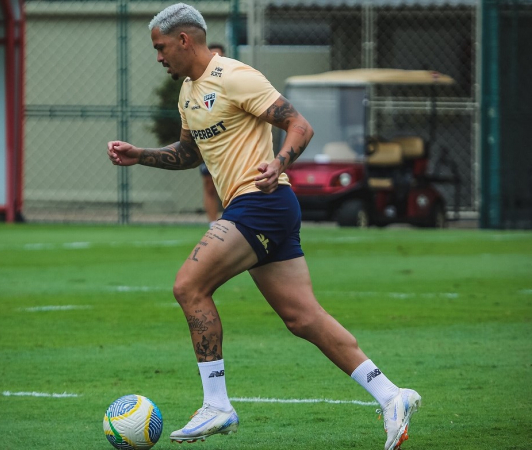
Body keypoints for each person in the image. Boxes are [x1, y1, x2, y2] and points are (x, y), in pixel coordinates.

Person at [107, 4, 421, 450]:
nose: (158, 57)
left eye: (160, 48)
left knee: (188, 286)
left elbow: (299, 124)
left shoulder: (235, 76)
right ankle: (392, 396)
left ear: (183, 40)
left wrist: (278, 163)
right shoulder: (188, 92)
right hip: (261, 208)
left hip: (262, 203)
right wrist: (141, 154)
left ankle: (217, 404)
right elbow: (189, 153)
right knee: (303, 318)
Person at [199, 43, 225, 227]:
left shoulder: (232, 80)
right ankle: (212, 224)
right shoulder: (195, 85)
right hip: (207, 144)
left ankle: (231, 222)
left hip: (228, 146)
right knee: (209, 184)